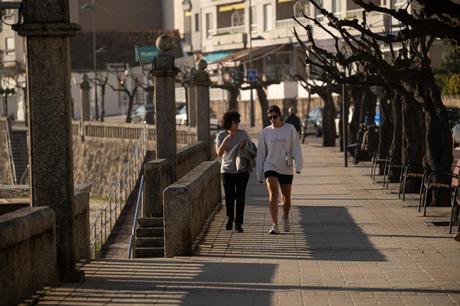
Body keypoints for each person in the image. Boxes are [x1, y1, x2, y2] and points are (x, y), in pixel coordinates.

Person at [256, 105, 303, 234]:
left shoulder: (290, 129)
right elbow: (261, 153)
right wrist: (259, 173)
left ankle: (286, 218)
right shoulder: (265, 132)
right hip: (270, 166)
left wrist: (298, 165)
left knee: (286, 197)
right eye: (270, 117)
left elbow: (296, 147)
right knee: (273, 193)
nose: (272, 119)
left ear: (280, 115)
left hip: (286, 167)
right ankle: (274, 224)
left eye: (274, 116)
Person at [216, 111, 255, 233]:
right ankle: (229, 219)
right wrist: (226, 140)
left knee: (240, 196)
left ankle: (238, 223)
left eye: (238, 121)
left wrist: (245, 145)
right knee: (229, 196)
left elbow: (252, 148)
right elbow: (219, 153)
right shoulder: (221, 135)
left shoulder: (243, 134)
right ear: (228, 122)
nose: (237, 123)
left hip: (242, 170)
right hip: (227, 170)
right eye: (235, 121)